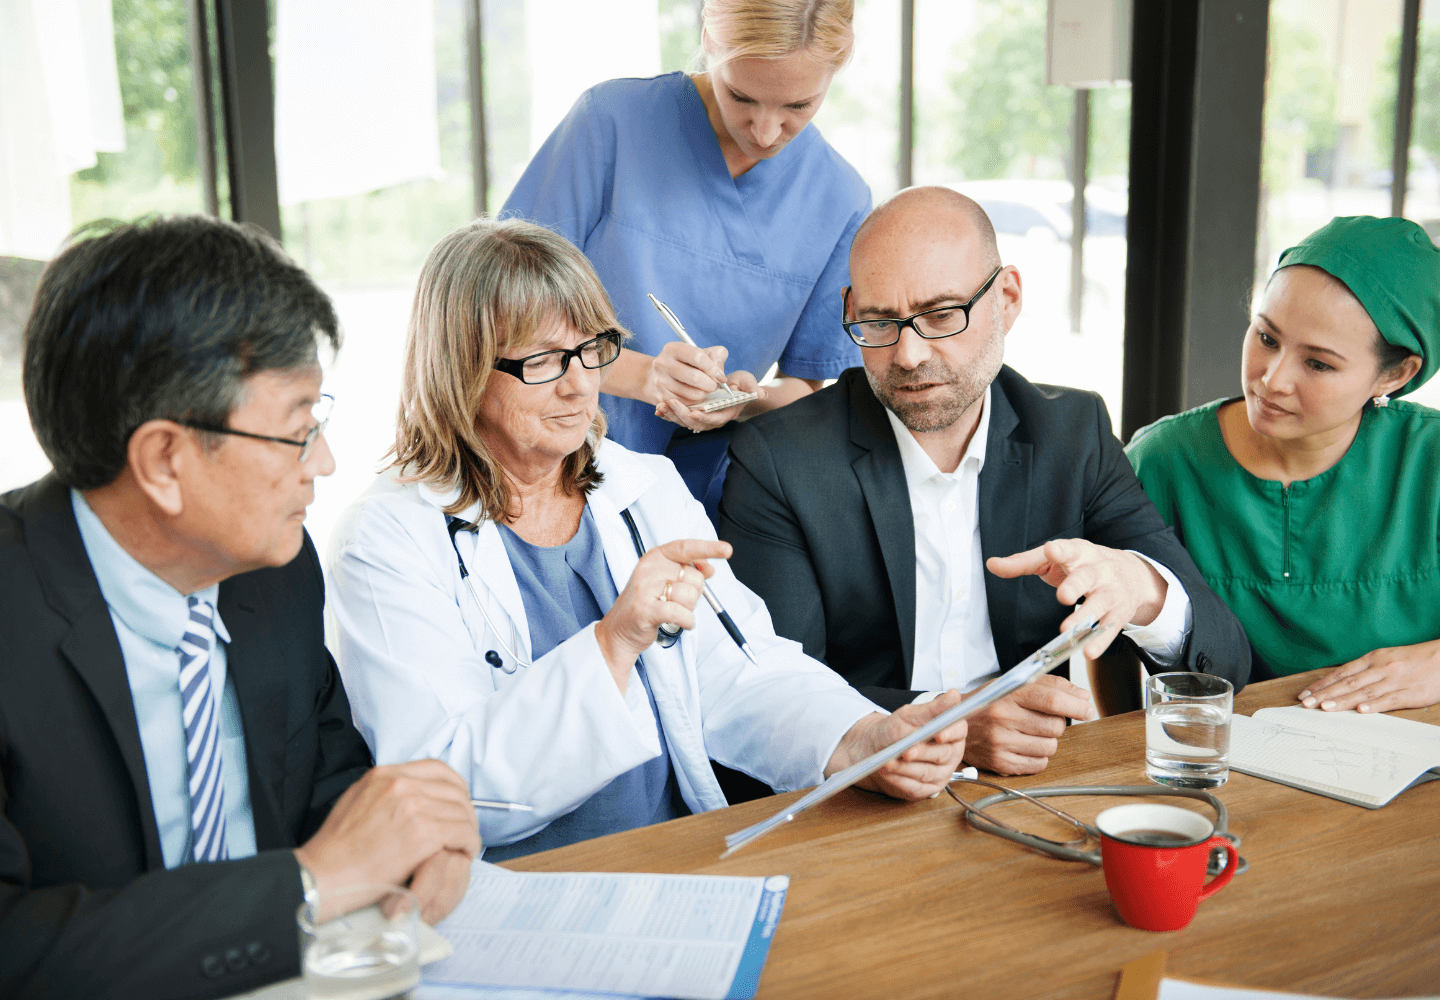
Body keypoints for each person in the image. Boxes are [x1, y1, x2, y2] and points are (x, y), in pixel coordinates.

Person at [326, 217, 968, 859]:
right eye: (544, 360)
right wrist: (613, 644)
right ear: (460, 367)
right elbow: (446, 791)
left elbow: (740, 671)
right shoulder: (387, 537)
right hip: (509, 888)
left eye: (593, 349)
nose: (580, 383)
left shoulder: (644, 487)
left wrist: (861, 740)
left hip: (668, 859)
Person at [0, 217, 480, 1000]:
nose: (322, 465)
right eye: (299, 429)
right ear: (164, 459)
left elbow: (327, 782)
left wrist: (409, 845)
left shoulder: (273, 575)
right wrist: (313, 881)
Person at [719, 187, 1251, 776]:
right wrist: (955, 726)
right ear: (850, 312)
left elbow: (1225, 665)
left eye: (942, 315)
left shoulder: (1073, 436)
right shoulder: (780, 459)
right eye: (878, 322)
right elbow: (770, 693)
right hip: (858, 796)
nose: (910, 354)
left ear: (1008, 299)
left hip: (1036, 786)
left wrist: (1147, 590)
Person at [502, 0, 870, 520]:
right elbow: (497, 304)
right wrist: (643, 376)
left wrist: (744, 401)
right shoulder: (611, 123)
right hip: (547, 464)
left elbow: (805, 386)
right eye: (741, 96)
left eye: (798, 107)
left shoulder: (840, 198)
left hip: (702, 498)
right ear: (710, 42)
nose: (765, 131)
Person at [1128, 216, 1440, 714]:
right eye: (1267, 338)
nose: (1272, 380)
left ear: (1395, 373)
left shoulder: (1431, 461)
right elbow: (1112, 645)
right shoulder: (1161, 462)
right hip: (1220, 766)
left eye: (1318, 364)